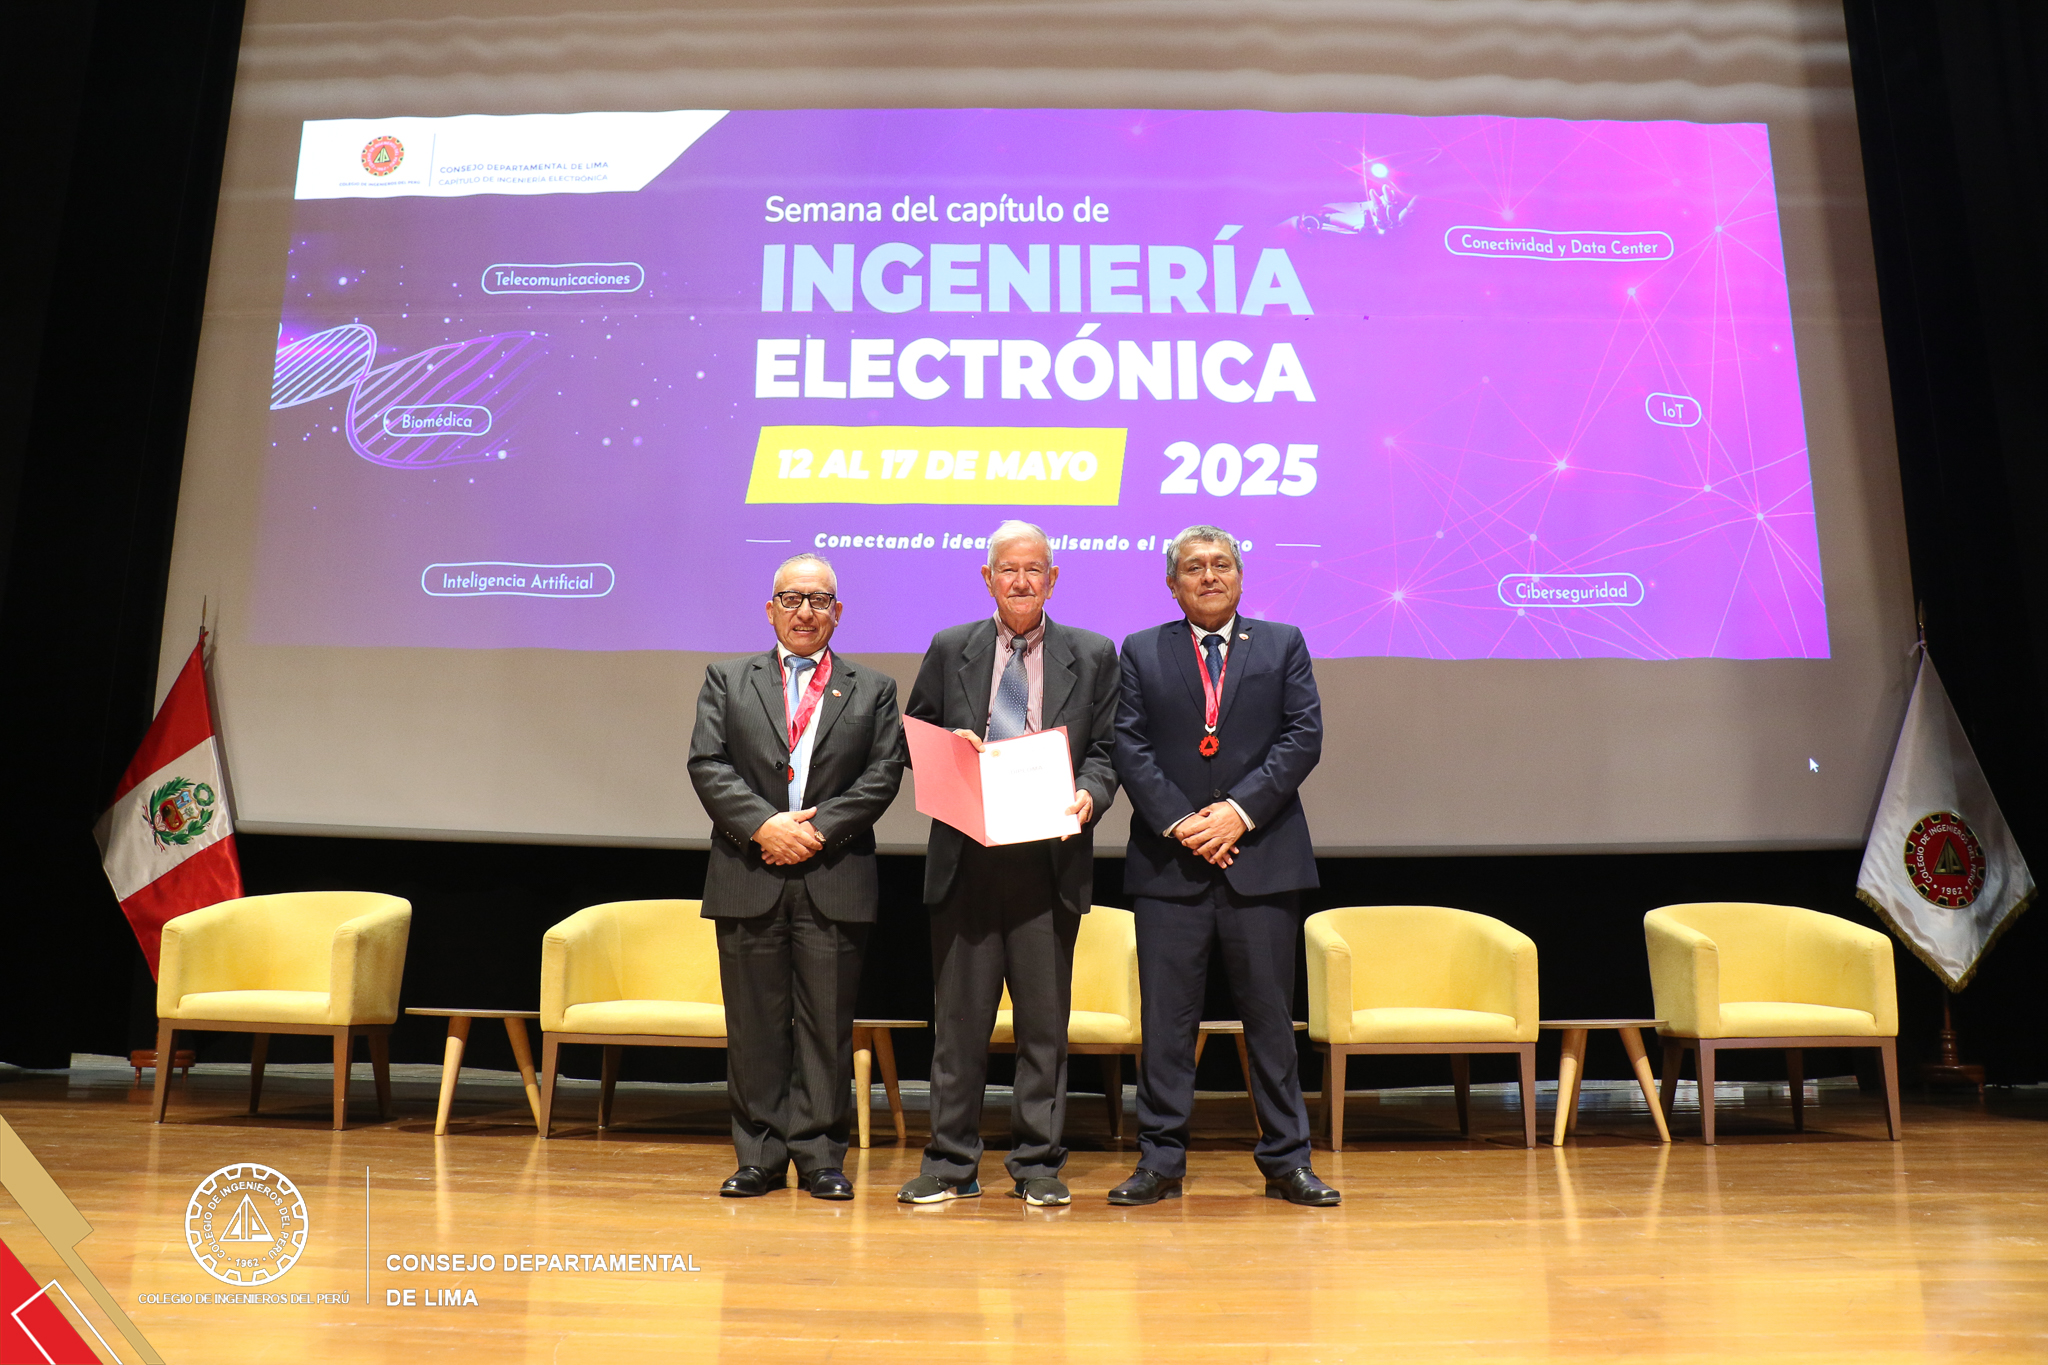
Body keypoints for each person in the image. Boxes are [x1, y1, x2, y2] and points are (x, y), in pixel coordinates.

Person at [1107, 524, 1339, 1207]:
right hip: (1169, 865)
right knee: (1166, 1026)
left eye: (1221, 565)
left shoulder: (1282, 643)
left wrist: (1238, 812)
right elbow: (1127, 743)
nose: (1209, 576)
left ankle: (1287, 1160)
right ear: (1172, 583)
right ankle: (1160, 1161)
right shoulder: (1141, 649)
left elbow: (1303, 735)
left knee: (1270, 1023)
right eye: (1193, 567)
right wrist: (1183, 821)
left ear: (1240, 576)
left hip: (1261, 861)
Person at [898, 520, 1120, 1207]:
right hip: (967, 859)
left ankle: (1037, 1163)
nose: (1021, 581)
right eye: (1008, 569)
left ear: (1053, 579)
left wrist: (1091, 793)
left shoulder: (1093, 653)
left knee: (1043, 1029)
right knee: (959, 1026)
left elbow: (1107, 750)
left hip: (1049, 862)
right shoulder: (951, 647)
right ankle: (950, 1162)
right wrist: (951, 743)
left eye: (1034, 570)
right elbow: (913, 736)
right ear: (987, 577)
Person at [687, 553, 906, 1200]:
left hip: (833, 873)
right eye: (791, 598)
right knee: (753, 1026)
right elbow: (708, 763)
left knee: (825, 1026)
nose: (805, 611)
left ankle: (820, 1157)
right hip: (747, 870)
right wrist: (764, 826)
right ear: (770, 609)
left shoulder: (873, 688)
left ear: (837, 612)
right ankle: (758, 1155)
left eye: (818, 600)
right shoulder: (728, 679)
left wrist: (814, 831)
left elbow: (883, 773)